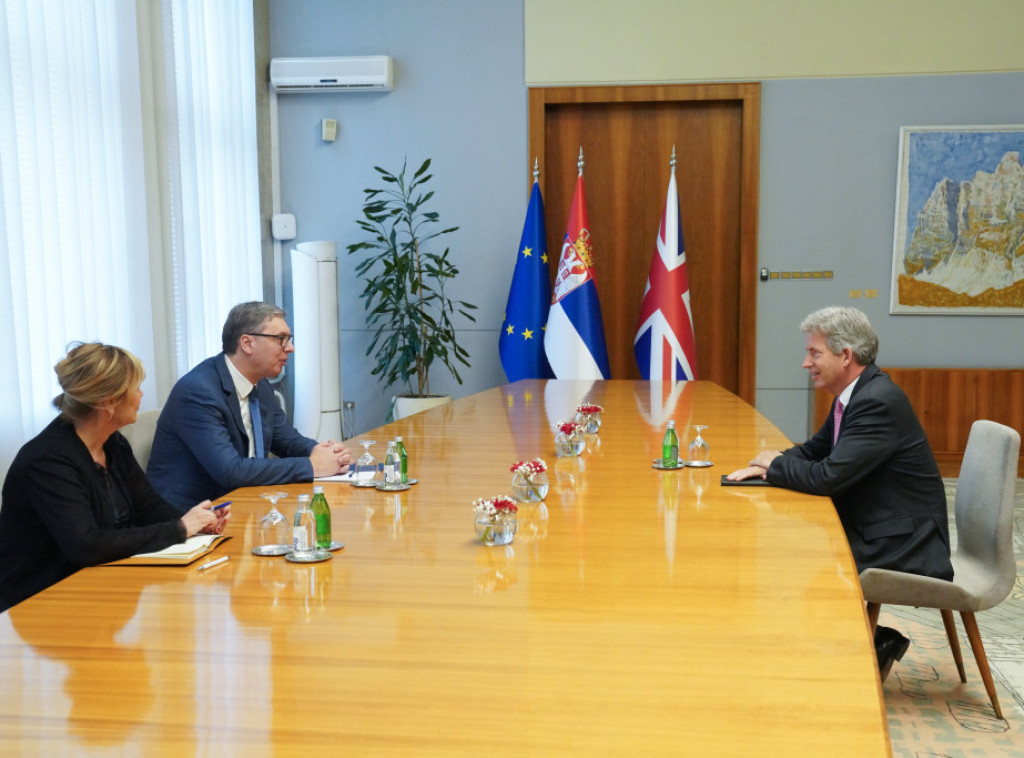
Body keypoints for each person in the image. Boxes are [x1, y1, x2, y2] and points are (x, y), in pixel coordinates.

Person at [727, 306, 953, 681]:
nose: (806, 363)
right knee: (801, 562)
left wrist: (776, 465)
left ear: (846, 355)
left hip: (906, 544)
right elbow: (816, 451)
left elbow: (827, 478)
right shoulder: (855, 395)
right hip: (884, 527)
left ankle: (869, 649)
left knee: (797, 565)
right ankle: (871, 645)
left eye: (814, 353)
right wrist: (770, 463)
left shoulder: (875, 402)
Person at [0, 342, 228, 613]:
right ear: (108, 401)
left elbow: (148, 507)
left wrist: (198, 522)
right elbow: (86, 546)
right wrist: (179, 528)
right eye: (136, 387)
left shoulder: (113, 443)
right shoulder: (48, 461)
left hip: (98, 588)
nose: (141, 394)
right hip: (41, 603)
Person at [147, 301, 351, 509]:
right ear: (247, 343)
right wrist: (311, 465)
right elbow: (230, 471)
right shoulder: (198, 391)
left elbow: (287, 440)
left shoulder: (261, 386)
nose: (290, 348)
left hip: (241, 502)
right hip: (192, 513)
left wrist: (325, 452)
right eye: (281, 339)